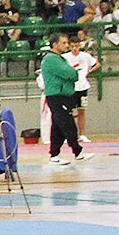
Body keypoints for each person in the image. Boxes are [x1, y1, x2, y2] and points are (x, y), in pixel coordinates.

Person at [42, 32, 86, 164]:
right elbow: (70, 73)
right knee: (67, 124)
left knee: (58, 125)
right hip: (57, 95)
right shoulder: (51, 59)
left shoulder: (60, 59)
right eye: (64, 43)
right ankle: (77, 151)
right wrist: (73, 73)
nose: (66, 45)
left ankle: (54, 155)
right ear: (55, 44)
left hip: (62, 95)